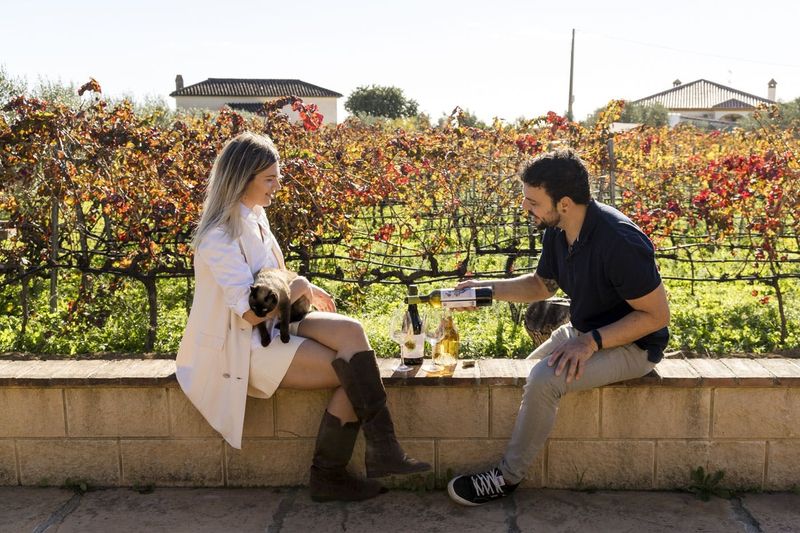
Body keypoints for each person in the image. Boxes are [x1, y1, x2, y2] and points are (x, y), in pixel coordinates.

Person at [176, 132, 429, 503]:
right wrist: (298, 287)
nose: (278, 185)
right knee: (352, 372)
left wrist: (301, 285)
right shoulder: (219, 236)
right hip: (241, 344)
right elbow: (249, 311)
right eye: (269, 178)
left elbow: (269, 274)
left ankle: (384, 448)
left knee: (352, 333)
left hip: (274, 325)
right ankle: (331, 474)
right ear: (243, 178)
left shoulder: (255, 217)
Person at [447, 148, 670, 505]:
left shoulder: (620, 242)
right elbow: (541, 286)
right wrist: (483, 290)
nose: (526, 209)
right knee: (524, 373)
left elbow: (656, 317)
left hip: (633, 345)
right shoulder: (559, 228)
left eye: (533, 201)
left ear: (564, 202)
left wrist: (591, 343)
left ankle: (506, 478)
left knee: (544, 380)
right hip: (585, 332)